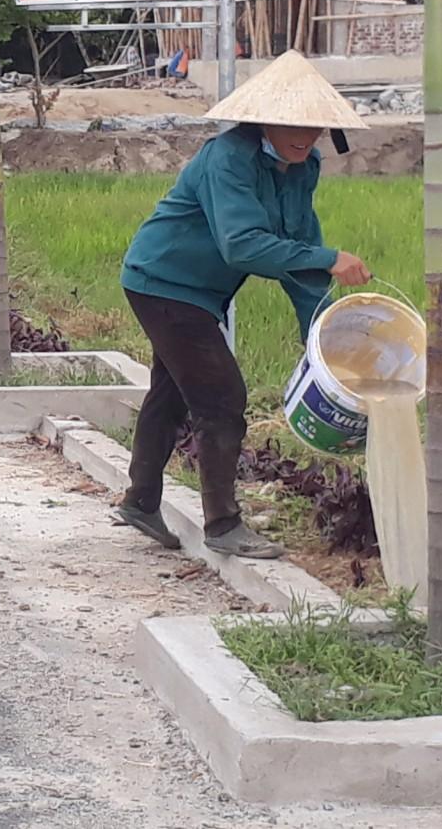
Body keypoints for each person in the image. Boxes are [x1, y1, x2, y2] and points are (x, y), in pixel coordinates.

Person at [117, 50, 373, 560]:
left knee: (171, 395)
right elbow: (244, 244)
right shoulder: (228, 159)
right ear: (263, 121)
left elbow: (298, 243)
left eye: (315, 128)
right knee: (222, 400)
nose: (304, 137)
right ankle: (223, 525)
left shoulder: (304, 166)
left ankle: (140, 501)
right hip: (163, 282)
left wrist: (319, 336)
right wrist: (330, 259)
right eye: (291, 126)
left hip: (198, 291)